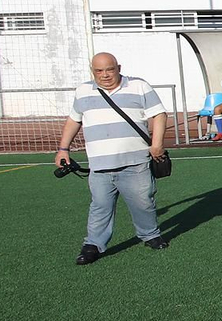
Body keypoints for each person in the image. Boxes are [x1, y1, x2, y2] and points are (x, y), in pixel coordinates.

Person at [57, 53, 169, 264]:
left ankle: (150, 234)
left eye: (110, 69)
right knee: (100, 205)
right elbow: (74, 120)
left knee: (143, 202)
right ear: (93, 71)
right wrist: (63, 149)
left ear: (119, 67)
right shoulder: (82, 91)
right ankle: (93, 245)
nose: (105, 75)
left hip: (135, 161)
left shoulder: (139, 86)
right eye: (99, 71)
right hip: (100, 164)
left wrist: (157, 143)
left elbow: (159, 114)